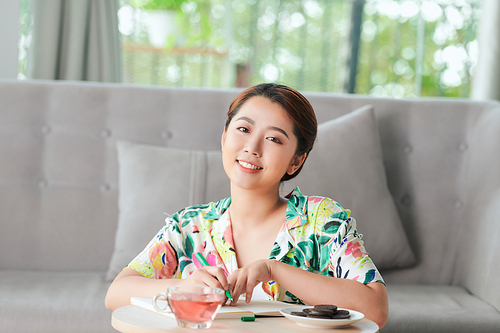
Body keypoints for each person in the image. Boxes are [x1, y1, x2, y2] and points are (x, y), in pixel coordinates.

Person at [105, 83, 389, 328]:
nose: (252, 147)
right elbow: (116, 293)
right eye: (243, 129)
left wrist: (274, 270)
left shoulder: (322, 220)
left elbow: (375, 308)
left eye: (274, 139)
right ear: (224, 137)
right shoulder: (189, 226)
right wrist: (183, 286)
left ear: (296, 160)